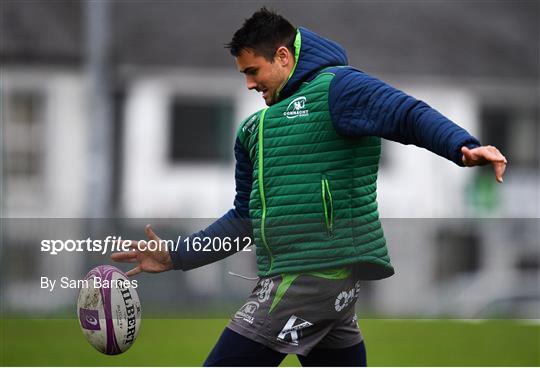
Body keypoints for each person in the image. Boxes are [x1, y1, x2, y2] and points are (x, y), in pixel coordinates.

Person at [111, 8, 507, 366]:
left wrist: (462, 145)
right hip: (314, 288)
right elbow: (244, 220)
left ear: (283, 56)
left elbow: (406, 113)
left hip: (309, 279)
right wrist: (176, 255)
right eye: (243, 75)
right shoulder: (254, 131)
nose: (249, 84)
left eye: (253, 71)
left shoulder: (339, 88)